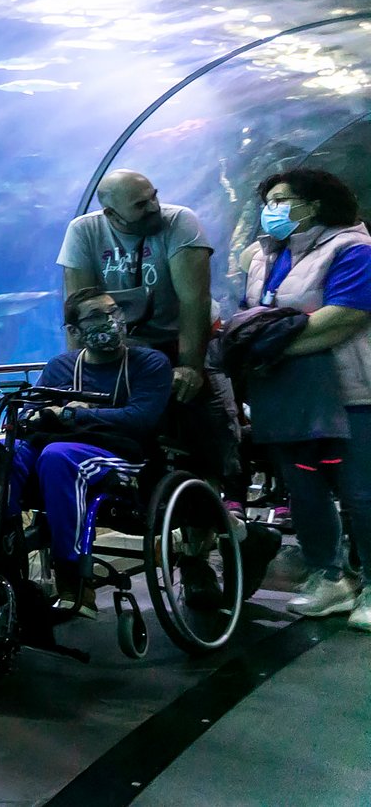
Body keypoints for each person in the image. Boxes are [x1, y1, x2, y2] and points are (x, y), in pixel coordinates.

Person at [235, 168, 371, 630]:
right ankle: (329, 577)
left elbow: (345, 317)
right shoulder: (261, 254)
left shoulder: (352, 249)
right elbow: (250, 312)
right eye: (267, 201)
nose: (270, 210)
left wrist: (265, 345)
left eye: (281, 200)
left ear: (313, 204)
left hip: (350, 391)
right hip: (285, 393)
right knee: (304, 490)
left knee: (361, 492)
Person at [8, 288, 172, 615]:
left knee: (57, 457)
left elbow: (140, 419)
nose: (111, 321)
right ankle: (4, 564)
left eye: (115, 312)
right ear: (73, 331)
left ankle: (74, 580)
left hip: (123, 455)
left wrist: (73, 412)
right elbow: (32, 412)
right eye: (97, 316)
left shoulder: (149, 362)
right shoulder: (60, 367)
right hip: (60, 447)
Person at [57, 170, 213, 403]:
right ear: (111, 214)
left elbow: (194, 301)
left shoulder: (180, 221)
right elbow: (80, 310)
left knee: (204, 415)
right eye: (141, 204)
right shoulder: (83, 231)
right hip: (121, 347)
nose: (153, 207)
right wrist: (78, 376)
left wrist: (190, 367)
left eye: (154, 197)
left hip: (181, 338)